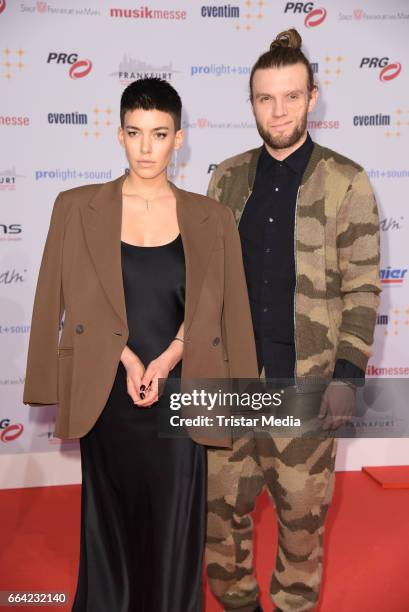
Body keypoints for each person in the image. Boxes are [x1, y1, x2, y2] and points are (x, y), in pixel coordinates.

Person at [23, 77, 258, 612]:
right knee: (109, 526)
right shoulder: (76, 208)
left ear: (179, 138)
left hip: (183, 396)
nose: (146, 148)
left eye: (159, 133)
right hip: (107, 398)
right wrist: (123, 360)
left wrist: (179, 356)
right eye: (135, 133)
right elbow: (60, 300)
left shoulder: (212, 218)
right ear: (119, 134)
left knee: (176, 529)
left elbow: (228, 307)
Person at [205, 29, 381, 612]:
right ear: (251, 102)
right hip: (230, 385)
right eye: (265, 98)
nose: (278, 111)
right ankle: (236, 603)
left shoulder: (346, 181)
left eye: (291, 97)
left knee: (301, 525)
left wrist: (347, 376)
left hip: (304, 387)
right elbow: (207, 280)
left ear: (312, 98)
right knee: (218, 517)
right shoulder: (226, 179)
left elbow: (361, 283)